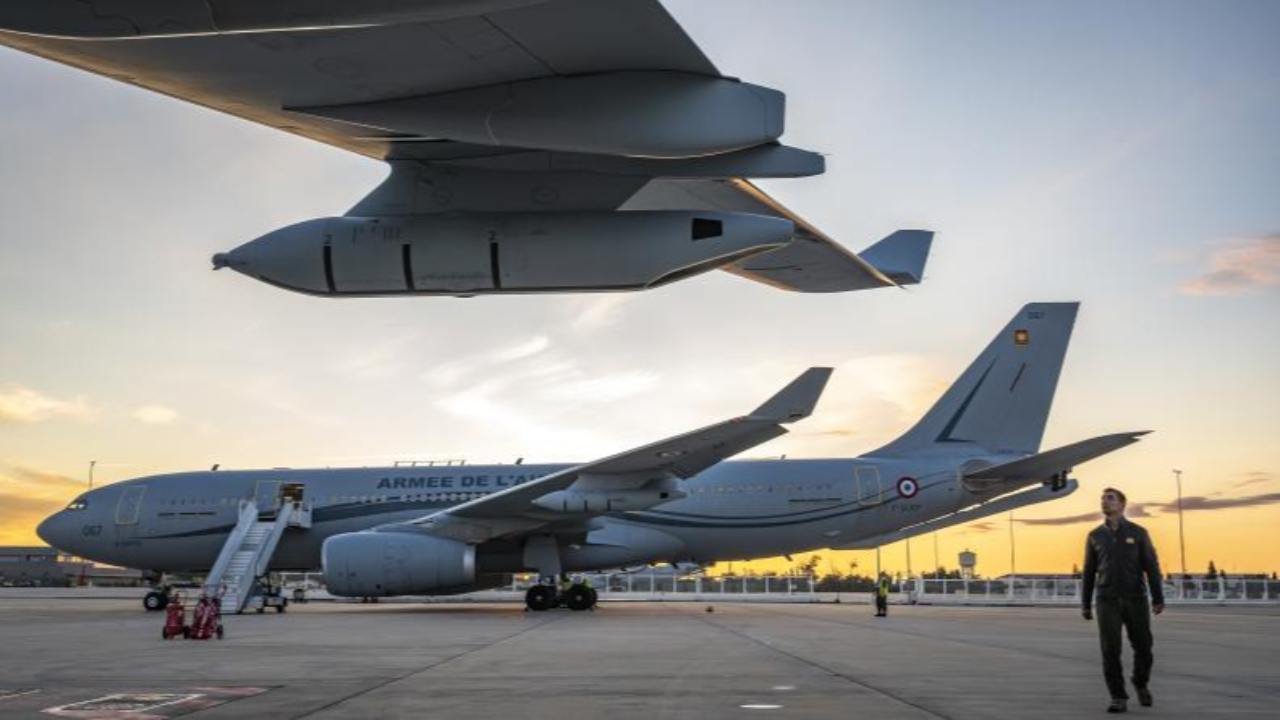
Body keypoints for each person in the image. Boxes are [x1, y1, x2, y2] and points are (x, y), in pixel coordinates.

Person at [1082, 487, 1165, 713]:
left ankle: (1140, 682)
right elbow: (1089, 572)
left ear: (1122, 504)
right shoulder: (1094, 536)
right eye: (1103, 499)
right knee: (1110, 649)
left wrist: (1158, 598)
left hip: (1135, 598)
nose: (1105, 502)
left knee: (1144, 647)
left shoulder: (1139, 533)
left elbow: (1151, 567)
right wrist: (1085, 604)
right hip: (1106, 599)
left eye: (1110, 499)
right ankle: (1118, 696)